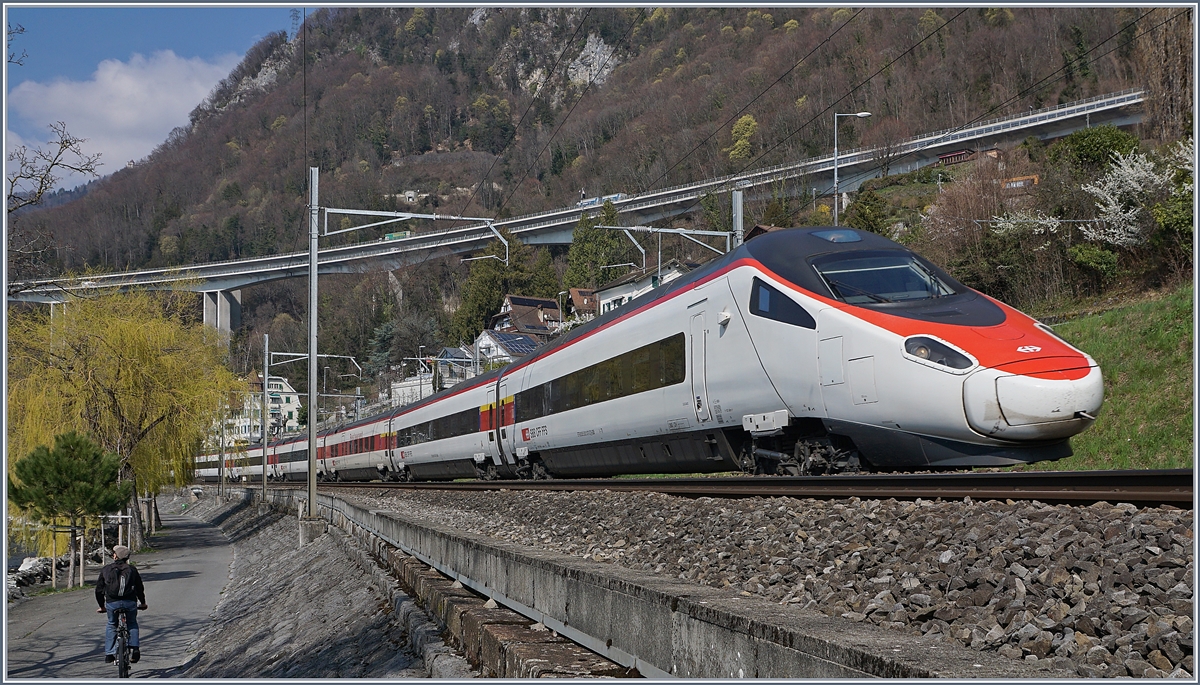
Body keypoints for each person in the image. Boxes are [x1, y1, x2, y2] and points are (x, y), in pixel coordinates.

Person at [94, 544, 147, 664]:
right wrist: (143, 603)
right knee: (132, 623)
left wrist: (102, 606)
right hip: (130, 602)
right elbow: (139, 588)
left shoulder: (106, 569)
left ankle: (109, 653)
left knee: (112, 624)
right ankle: (135, 648)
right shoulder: (132, 570)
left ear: (115, 556)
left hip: (112, 603)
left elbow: (99, 590)